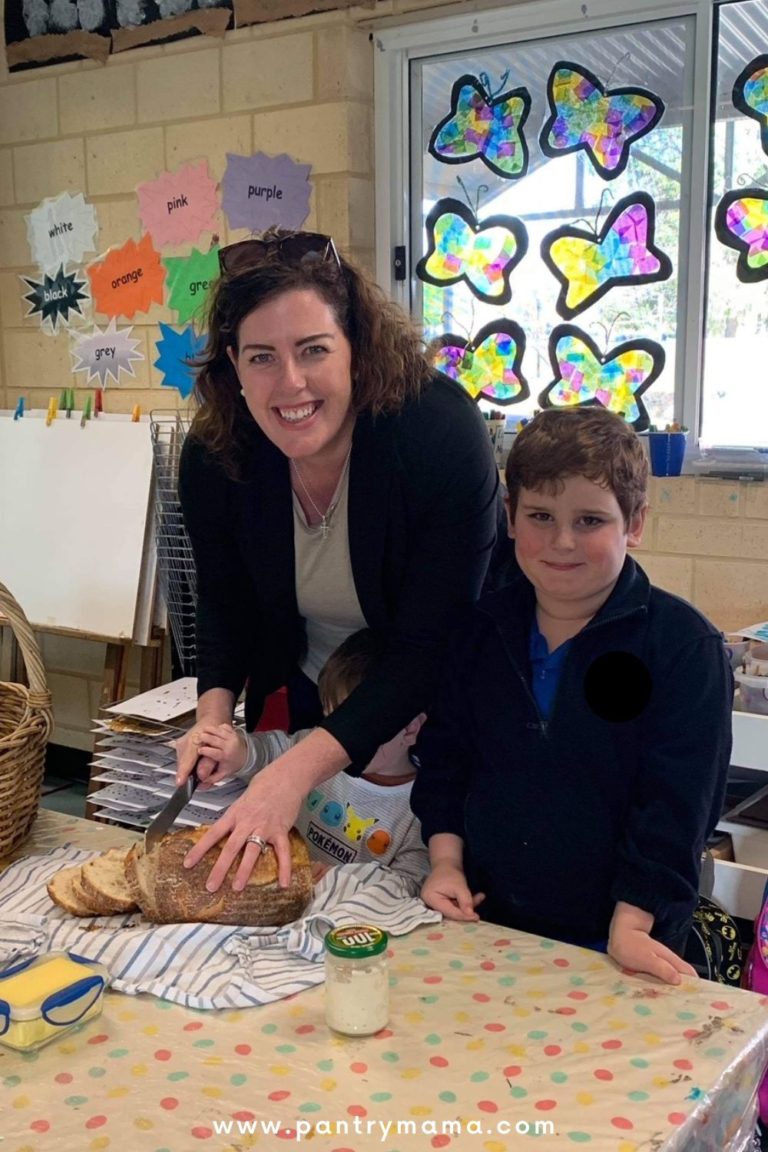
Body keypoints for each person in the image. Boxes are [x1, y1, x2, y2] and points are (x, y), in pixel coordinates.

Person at [176, 228, 500, 892]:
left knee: (442, 881)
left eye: (314, 350)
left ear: (357, 350)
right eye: (262, 356)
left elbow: (428, 644)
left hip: (434, 713)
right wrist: (212, 720)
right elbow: (224, 602)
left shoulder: (436, 435)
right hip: (314, 698)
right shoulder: (216, 455)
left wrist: (289, 774)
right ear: (232, 367)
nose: (290, 383)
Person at [411, 407, 732, 985]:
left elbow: (677, 806)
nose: (561, 542)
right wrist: (445, 865)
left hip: (620, 943)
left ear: (634, 523)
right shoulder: (479, 632)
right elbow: (445, 761)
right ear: (509, 518)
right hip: (484, 923)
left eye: (590, 520)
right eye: (540, 516)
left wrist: (634, 922)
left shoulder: (683, 648)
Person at [193, 629, 428, 891]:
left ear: (410, 728)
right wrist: (237, 752)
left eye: (354, 726)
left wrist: (342, 878)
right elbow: (269, 753)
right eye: (332, 721)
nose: (339, 738)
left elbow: (412, 882)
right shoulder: (314, 750)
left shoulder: (423, 805)